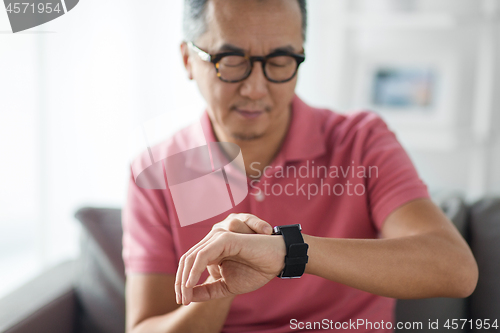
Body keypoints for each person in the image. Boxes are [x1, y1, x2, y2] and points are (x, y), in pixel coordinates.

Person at [122, 0, 478, 332]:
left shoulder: (361, 141)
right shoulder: (158, 171)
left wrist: (286, 250)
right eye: (231, 59)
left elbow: (455, 268)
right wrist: (226, 283)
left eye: (279, 61)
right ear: (187, 60)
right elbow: (144, 327)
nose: (255, 88)